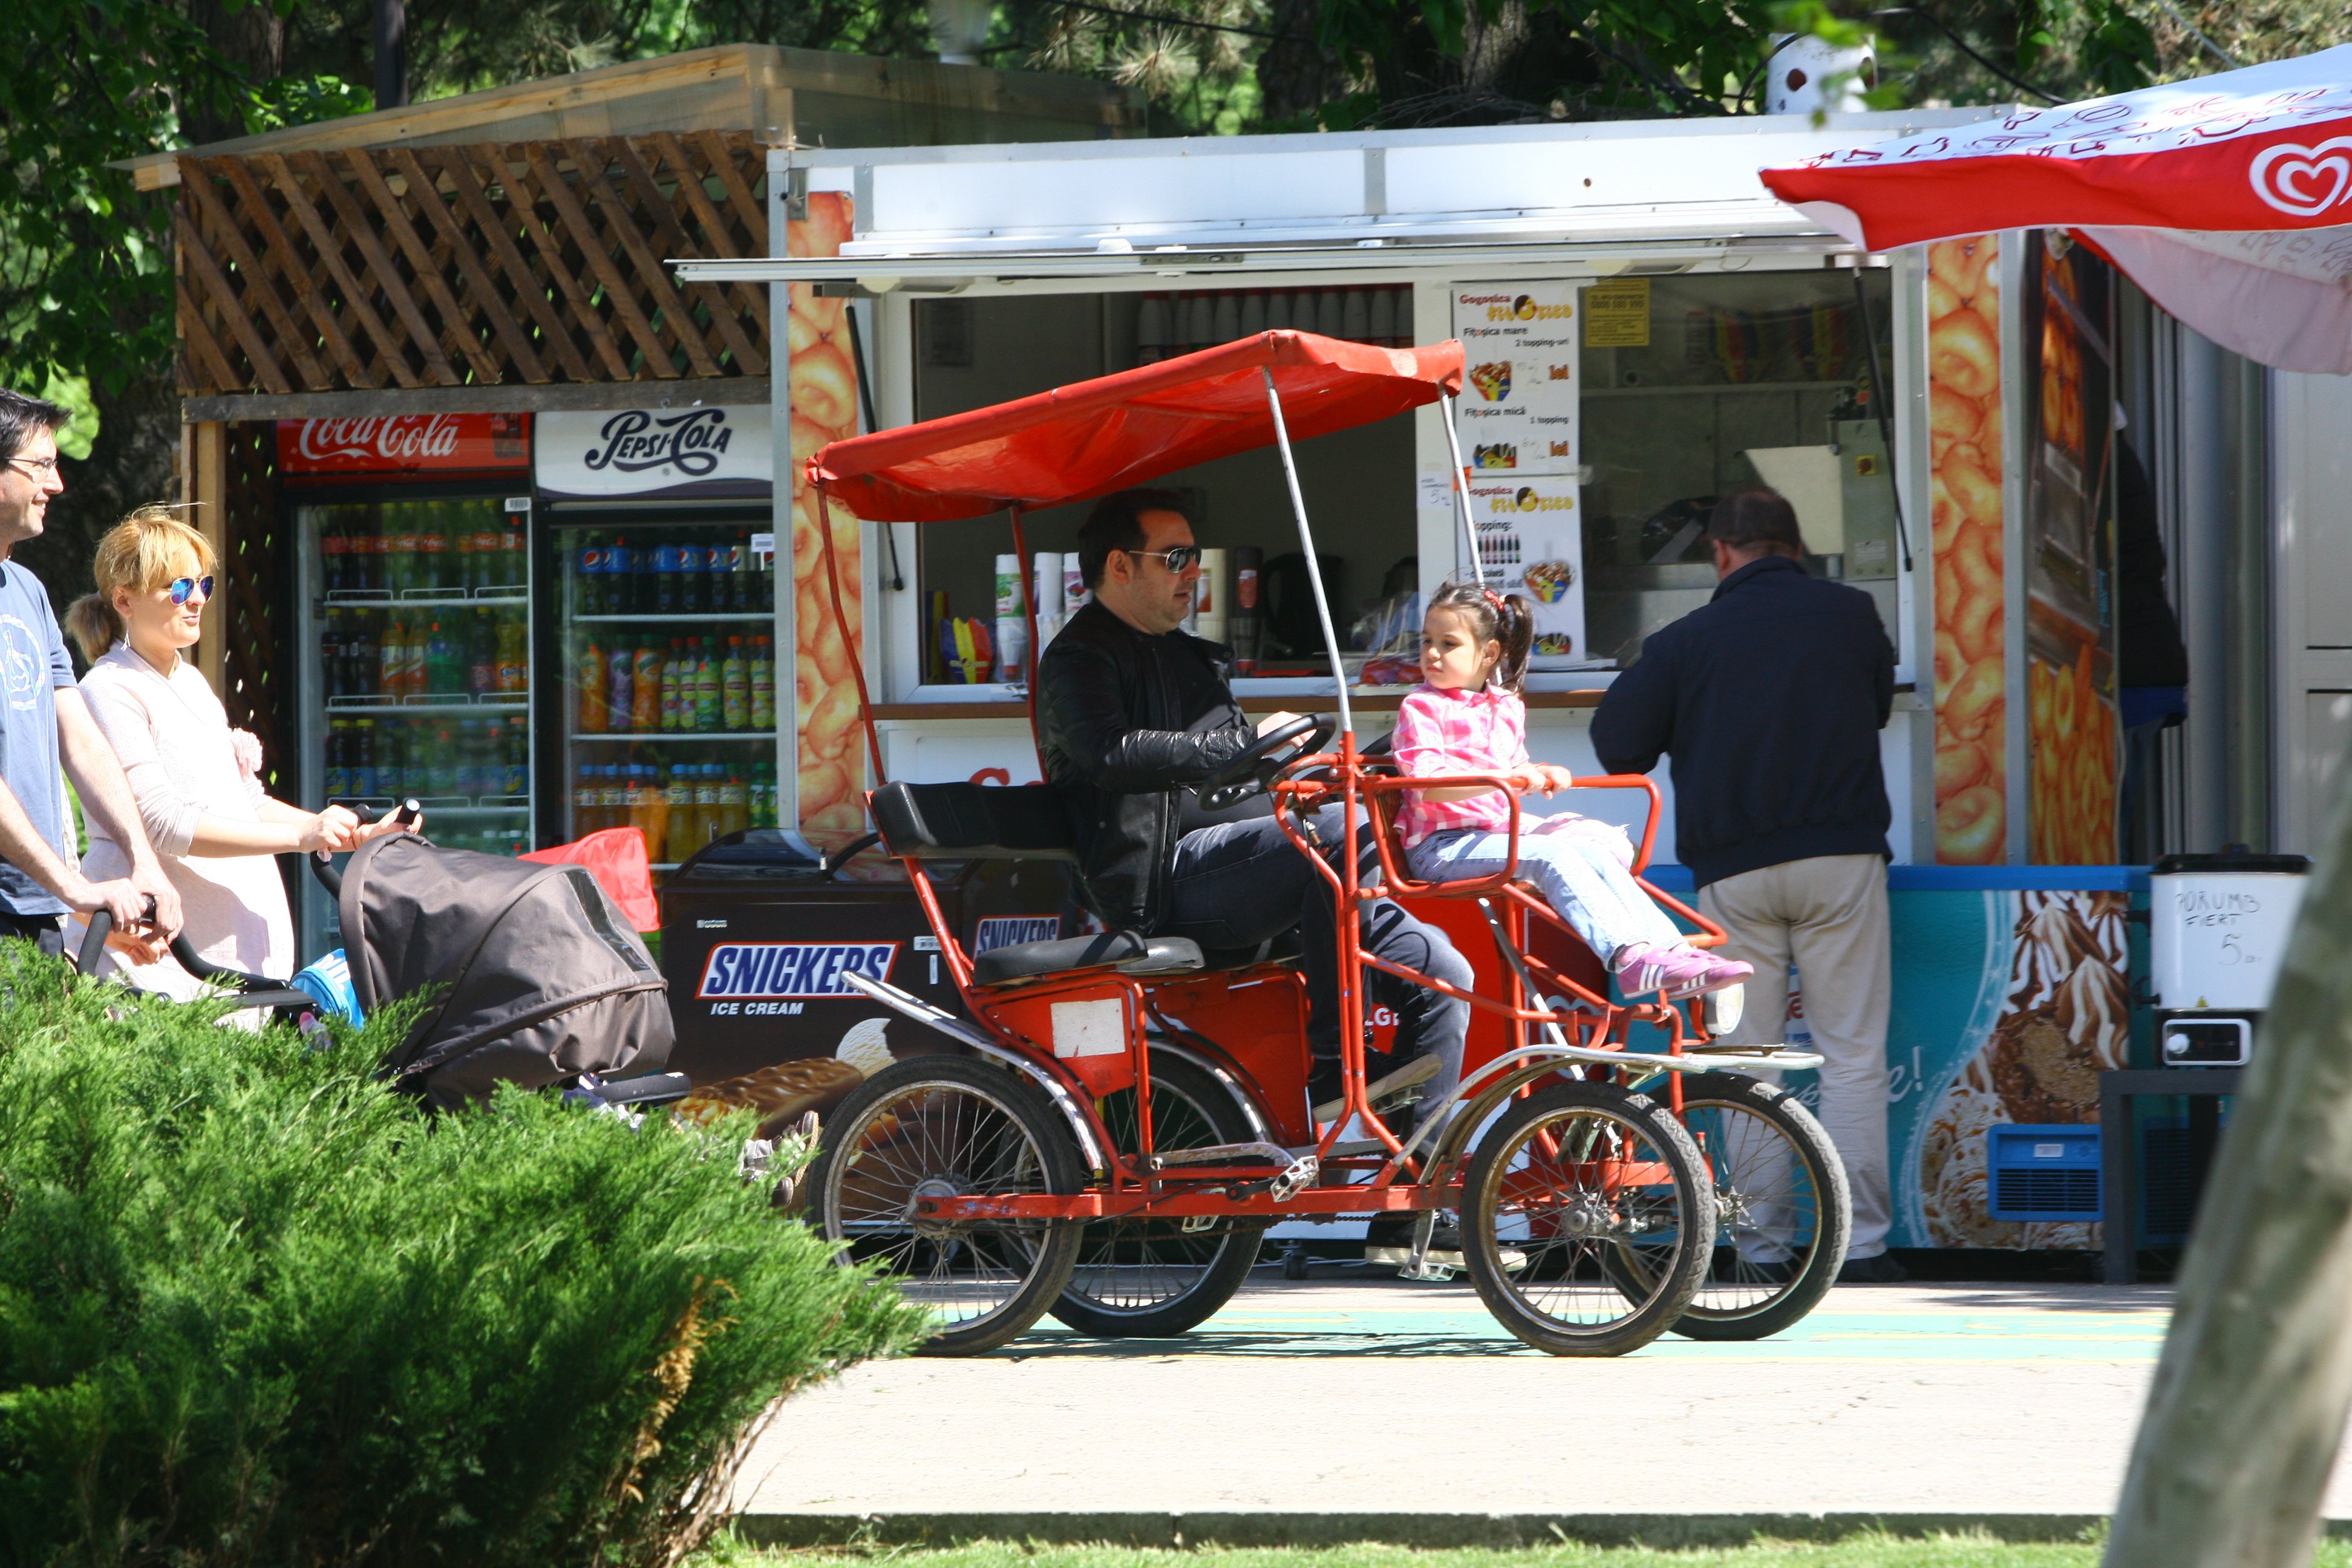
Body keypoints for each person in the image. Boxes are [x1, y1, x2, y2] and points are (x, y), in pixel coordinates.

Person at [1036, 488, 1475, 1129]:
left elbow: (1244, 770)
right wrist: (1240, 744)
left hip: (1258, 864)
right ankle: (1334, 1063)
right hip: (1159, 881)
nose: (1193, 571)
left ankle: (1410, 1198)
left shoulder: (1190, 656)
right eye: (1176, 557)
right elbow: (1110, 754)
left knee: (1445, 977)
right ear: (1120, 566)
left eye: (1195, 556)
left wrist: (1339, 766)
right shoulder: (1078, 658)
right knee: (1340, 835)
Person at [1590, 486, 1903, 1284]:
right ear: (1794, 548)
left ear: (1721, 554)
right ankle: (1861, 1249)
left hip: (1733, 873)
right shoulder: (1851, 614)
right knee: (1853, 1056)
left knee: (1746, 1066)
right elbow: (1874, 710)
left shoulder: (1686, 640)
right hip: (1840, 859)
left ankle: (1764, 1250)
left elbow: (1616, 745)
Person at [65, 506, 405, 995]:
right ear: (124, 600)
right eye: (178, 588)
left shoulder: (191, 680)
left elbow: (247, 803)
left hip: (223, 967)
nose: (196, 599)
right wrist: (303, 836)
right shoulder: (110, 688)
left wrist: (348, 834)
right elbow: (162, 822)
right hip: (161, 965)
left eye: (202, 585)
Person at [1395, 580, 1749, 997]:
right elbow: (1428, 786)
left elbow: (1513, 766)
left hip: (1495, 834)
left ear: (1488, 654)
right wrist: (1508, 777)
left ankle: (1672, 953)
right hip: (1441, 846)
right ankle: (1630, 958)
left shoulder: (1505, 706)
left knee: (1598, 847)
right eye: (1427, 641)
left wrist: (1540, 772)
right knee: (1552, 855)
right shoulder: (1421, 707)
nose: (1432, 653)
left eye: (1448, 643)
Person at [0, 390, 180, 962]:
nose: (55, 486)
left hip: (35, 909)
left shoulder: (26, 591)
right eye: (42, 466)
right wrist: (75, 887)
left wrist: (142, 859)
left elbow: (78, 739)